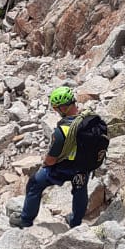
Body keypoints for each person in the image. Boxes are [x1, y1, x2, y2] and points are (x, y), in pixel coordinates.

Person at [18, 85, 89, 229]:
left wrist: (45, 164)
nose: (56, 111)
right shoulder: (89, 119)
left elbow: (51, 159)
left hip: (64, 168)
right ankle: (76, 222)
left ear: (63, 108)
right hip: (84, 165)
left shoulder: (61, 131)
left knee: (34, 184)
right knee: (80, 190)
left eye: (56, 108)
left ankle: (25, 220)